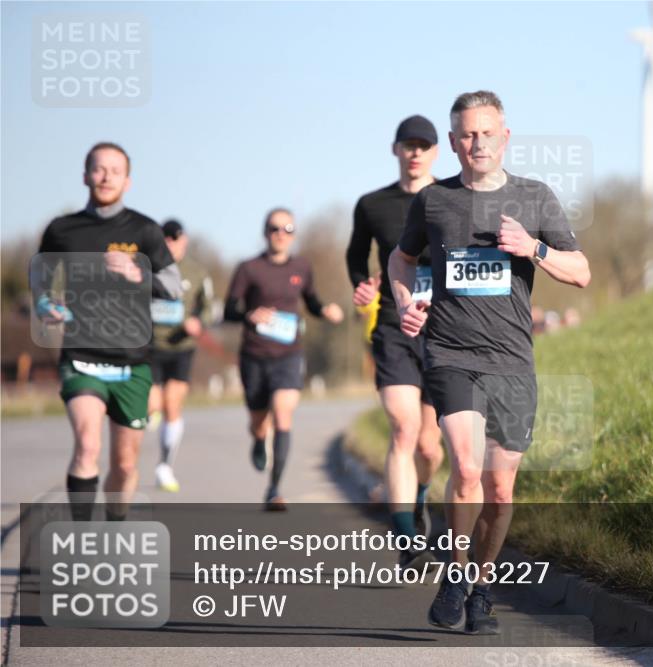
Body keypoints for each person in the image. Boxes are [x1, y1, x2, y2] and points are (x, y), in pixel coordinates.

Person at [388, 91, 590, 634]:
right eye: (466, 134)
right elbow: (400, 258)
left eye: (486, 132)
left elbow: (581, 271)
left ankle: (480, 585)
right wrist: (407, 301)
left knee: (500, 491)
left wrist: (534, 250)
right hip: (452, 354)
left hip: (513, 362)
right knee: (468, 468)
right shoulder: (433, 202)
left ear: (505, 137)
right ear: (453, 142)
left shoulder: (535, 197)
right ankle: (455, 574)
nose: (477, 142)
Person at [34, 142, 182, 521]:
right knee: (87, 445)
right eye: (98, 169)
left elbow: (174, 285)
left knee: (126, 463)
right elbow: (41, 279)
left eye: (115, 171)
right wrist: (45, 304)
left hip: (132, 361)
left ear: (127, 181)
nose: (106, 177)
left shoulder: (144, 230)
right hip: (81, 354)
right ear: (85, 175)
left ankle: (114, 531)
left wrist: (137, 273)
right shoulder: (62, 230)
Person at [346, 115, 445, 569]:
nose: (416, 153)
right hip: (392, 326)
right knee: (403, 430)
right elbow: (355, 256)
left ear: (435, 153)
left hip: (445, 330)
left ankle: (420, 496)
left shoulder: (451, 200)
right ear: (396, 150)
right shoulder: (371, 204)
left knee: (430, 446)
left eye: (424, 145)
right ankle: (407, 536)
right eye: (409, 145)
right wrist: (360, 285)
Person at [223, 208, 344, 511]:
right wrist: (250, 314)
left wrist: (325, 310)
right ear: (265, 233)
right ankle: (258, 438)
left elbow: (312, 300)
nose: (281, 233)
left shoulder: (302, 267)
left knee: (283, 414)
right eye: (274, 228)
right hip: (254, 356)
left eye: (287, 228)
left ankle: (274, 488)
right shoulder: (249, 268)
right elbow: (229, 310)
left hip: (289, 355)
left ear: (294, 234)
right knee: (258, 422)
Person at [147, 219, 214, 492]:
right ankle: (152, 413)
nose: (171, 244)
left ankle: (165, 466)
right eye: (167, 239)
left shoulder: (197, 272)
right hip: (149, 345)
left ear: (184, 241)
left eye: (176, 239)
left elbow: (208, 307)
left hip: (181, 347)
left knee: (173, 405)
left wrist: (198, 323)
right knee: (152, 404)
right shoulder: (147, 267)